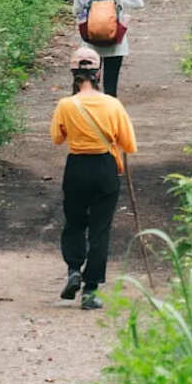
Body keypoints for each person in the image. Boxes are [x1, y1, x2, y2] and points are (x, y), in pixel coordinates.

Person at [49, 44, 138, 310]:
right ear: (98, 73)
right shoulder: (112, 104)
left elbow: (57, 138)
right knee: (100, 229)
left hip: (76, 167)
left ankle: (74, 269)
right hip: (105, 168)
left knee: (75, 223)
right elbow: (130, 145)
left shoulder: (66, 104)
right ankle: (90, 290)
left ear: (73, 74)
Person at [72, 0, 144, 97]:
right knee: (111, 81)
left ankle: (91, 108)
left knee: (90, 80)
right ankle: (110, 109)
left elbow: (76, 9)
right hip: (115, 38)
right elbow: (138, 3)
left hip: (91, 40)